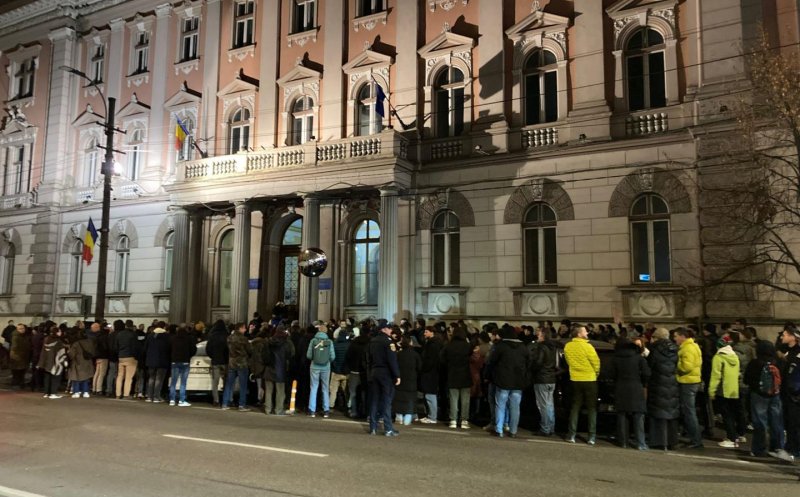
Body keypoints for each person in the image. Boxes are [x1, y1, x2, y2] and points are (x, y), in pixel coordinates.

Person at [744, 340, 793, 461]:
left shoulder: (755, 363)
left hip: (758, 395)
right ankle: (777, 447)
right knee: (776, 421)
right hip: (775, 395)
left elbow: (746, 379)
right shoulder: (780, 362)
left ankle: (758, 449)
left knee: (760, 422)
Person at [609, 338, 651, 450]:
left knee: (622, 415)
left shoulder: (615, 358)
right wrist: (643, 383)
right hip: (636, 387)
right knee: (638, 415)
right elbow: (647, 373)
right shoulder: (639, 358)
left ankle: (623, 442)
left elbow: (610, 374)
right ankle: (641, 443)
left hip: (620, 388)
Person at [488, 325, 529, 438]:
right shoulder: (523, 347)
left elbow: (492, 362)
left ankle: (499, 429)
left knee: (500, 405)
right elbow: (528, 363)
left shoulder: (501, 346)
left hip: (502, 381)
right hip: (518, 382)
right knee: (515, 407)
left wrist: (489, 375)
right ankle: (513, 430)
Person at [563, 324, 600, 445]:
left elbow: (568, 361)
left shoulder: (568, 346)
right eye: (585, 331)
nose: (587, 333)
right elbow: (596, 362)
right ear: (579, 334)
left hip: (575, 379)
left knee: (575, 407)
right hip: (589, 379)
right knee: (591, 409)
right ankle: (591, 437)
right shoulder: (588, 347)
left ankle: (571, 434)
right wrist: (596, 373)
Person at [646, 328, 680, 450]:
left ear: (656, 338)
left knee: (657, 413)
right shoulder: (675, 349)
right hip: (672, 383)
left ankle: (658, 441)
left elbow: (650, 365)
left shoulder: (654, 350)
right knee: (671, 411)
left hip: (658, 382)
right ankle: (671, 440)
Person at [708, 335, 744, 448]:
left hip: (722, 389)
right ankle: (738, 435)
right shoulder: (735, 356)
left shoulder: (718, 357)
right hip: (734, 389)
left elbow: (716, 376)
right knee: (734, 414)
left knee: (726, 415)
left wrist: (711, 391)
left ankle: (731, 438)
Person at [367, 319, 401, 436]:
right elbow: (392, 360)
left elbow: (369, 359)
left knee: (375, 399)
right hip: (386, 373)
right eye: (389, 328)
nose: (391, 330)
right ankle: (388, 428)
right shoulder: (388, 342)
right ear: (384, 329)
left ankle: (373, 427)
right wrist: (397, 375)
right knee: (387, 400)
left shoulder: (373, 341)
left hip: (375, 372)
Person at [674, 328, 703, 448]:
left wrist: (676, 363)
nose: (674, 338)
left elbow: (687, 367)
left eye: (676, 336)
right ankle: (693, 437)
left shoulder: (688, 348)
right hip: (691, 381)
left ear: (682, 336)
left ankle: (696, 439)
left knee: (689, 411)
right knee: (688, 410)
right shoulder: (692, 346)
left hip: (688, 382)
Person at [440, 326, 472, 429]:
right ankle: (464, 420)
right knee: (465, 400)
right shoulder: (467, 345)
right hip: (465, 375)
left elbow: (442, 359)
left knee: (453, 399)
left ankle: (453, 420)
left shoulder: (449, 345)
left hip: (452, 374)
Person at [530, 326, 559, 437]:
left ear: (543, 335)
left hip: (542, 378)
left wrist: (532, 368)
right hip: (551, 378)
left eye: (539, 333)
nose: (537, 334)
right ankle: (551, 427)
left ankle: (545, 428)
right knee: (549, 404)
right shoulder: (553, 347)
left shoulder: (542, 347)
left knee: (543, 405)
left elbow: (538, 362)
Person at [263, 325, 294, 415]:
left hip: (269, 369)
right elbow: (291, 354)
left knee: (268, 391)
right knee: (280, 392)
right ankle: (278, 409)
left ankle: (268, 409)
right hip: (280, 369)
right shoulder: (286, 342)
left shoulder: (269, 341)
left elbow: (264, 356)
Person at [779, 324, 800, 457]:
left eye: (785, 334)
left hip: (795, 395)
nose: (782, 337)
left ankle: (794, 449)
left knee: (794, 423)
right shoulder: (791, 352)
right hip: (789, 393)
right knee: (790, 422)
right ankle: (790, 447)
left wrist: (794, 391)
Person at [306, 324, 335, 418]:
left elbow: (309, 355)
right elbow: (333, 356)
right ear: (326, 331)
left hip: (314, 367)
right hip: (326, 367)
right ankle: (326, 410)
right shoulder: (329, 342)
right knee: (325, 388)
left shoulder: (313, 341)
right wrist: (326, 360)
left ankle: (312, 410)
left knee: (314, 388)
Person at [222, 323, 252, 411]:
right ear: (240, 329)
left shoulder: (229, 338)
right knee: (243, 386)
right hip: (242, 363)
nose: (245, 330)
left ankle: (224, 403)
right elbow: (249, 351)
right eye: (244, 328)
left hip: (232, 363)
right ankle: (242, 405)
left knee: (229, 384)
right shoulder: (244, 339)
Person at [394, 335, 421, 426]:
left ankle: (399, 417)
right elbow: (419, 367)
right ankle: (408, 418)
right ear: (410, 343)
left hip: (400, 379)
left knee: (399, 399)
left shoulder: (399, 354)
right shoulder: (415, 354)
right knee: (410, 400)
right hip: (411, 380)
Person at [419, 326, 443, 424]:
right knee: (429, 394)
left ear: (432, 332)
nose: (424, 334)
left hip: (430, 373)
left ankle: (432, 417)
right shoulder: (434, 343)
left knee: (430, 395)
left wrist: (424, 368)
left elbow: (430, 360)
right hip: (432, 372)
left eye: (426, 332)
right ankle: (430, 415)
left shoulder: (432, 344)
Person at [169, 324, 197, 407]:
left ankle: (172, 400)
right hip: (185, 361)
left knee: (173, 382)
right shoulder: (189, 338)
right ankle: (181, 400)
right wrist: (189, 356)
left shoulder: (173, 338)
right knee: (183, 382)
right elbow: (193, 349)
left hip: (174, 361)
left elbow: (169, 349)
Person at [37, 326, 67, 399]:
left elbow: (43, 351)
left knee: (47, 377)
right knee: (55, 377)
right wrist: (64, 361)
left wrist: (41, 362)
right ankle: (53, 393)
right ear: (56, 332)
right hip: (55, 362)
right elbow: (61, 353)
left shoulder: (46, 339)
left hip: (46, 362)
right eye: (59, 331)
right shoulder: (58, 341)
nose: (61, 333)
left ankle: (46, 393)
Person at [144, 322, 171, 403]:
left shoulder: (150, 336)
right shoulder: (166, 336)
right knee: (159, 379)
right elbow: (169, 348)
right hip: (162, 360)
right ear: (164, 327)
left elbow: (145, 348)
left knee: (151, 378)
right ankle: (156, 397)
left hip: (150, 360)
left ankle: (149, 396)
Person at [205, 319, 229, 406]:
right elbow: (229, 349)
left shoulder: (212, 336)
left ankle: (216, 400)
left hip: (215, 361)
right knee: (226, 381)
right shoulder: (227, 336)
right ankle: (226, 400)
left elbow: (208, 349)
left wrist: (213, 356)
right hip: (225, 362)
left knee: (215, 382)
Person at [67, 329, 96, 398]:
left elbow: (71, 355)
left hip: (77, 362)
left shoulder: (76, 344)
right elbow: (93, 352)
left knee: (76, 377)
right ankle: (85, 392)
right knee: (86, 378)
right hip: (87, 362)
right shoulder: (90, 342)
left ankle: (76, 392)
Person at [114, 319, 139, 399]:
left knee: (120, 376)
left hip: (121, 357)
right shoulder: (133, 335)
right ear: (132, 326)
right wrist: (136, 357)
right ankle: (126, 394)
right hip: (130, 357)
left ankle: (118, 394)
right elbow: (135, 347)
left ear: (125, 325)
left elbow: (116, 346)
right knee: (128, 377)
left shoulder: (119, 334)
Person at [330, 324, 351, 412]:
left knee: (333, 390)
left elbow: (332, 357)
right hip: (346, 372)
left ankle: (330, 406)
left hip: (336, 371)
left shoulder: (335, 344)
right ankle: (348, 406)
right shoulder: (349, 345)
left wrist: (335, 367)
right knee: (346, 391)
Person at [89, 322, 110, 395]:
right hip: (104, 356)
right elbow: (105, 347)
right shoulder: (105, 336)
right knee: (102, 373)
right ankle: (99, 389)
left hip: (97, 356)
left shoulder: (96, 335)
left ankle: (94, 388)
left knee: (97, 373)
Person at [9, 323, 32, 389]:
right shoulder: (16, 337)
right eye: (20, 329)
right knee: (17, 373)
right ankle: (16, 385)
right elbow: (14, 348)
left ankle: (20, 384)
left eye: (23, 328)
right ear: (17, 329)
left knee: (21, 372)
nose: (22, 330)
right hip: (17, 358)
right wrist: (16, 357)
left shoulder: (24, 336)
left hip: (23, 357)